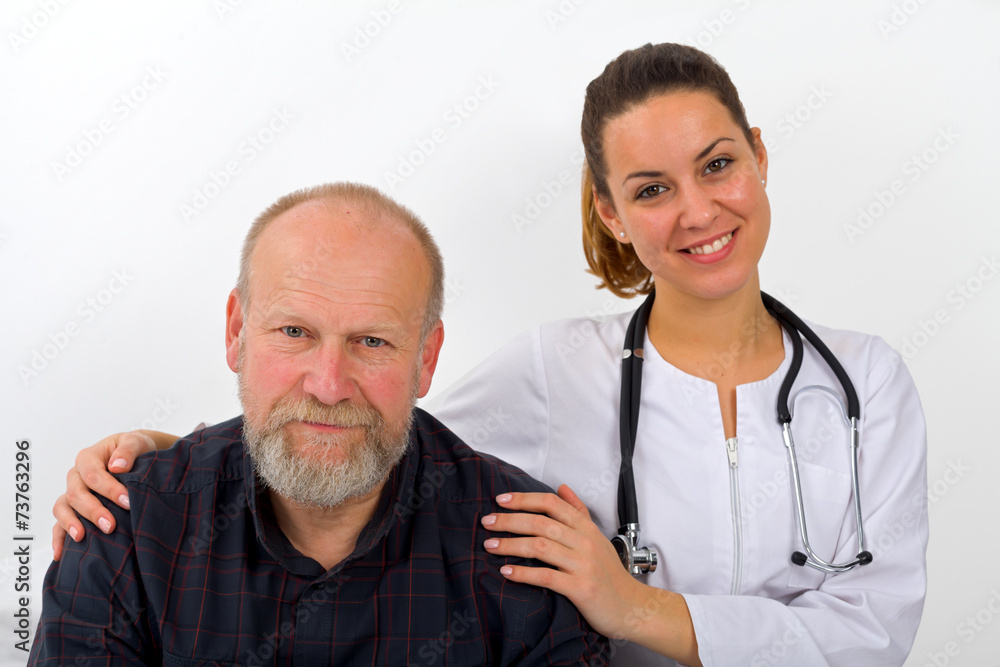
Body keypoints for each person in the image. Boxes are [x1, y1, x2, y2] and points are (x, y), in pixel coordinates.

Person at [52, 44, 927, 666]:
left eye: (718, 164)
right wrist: (164, 459)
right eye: (652, 188)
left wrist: (636, 607)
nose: (698, 211)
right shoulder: (555, 368)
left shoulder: (869, 383)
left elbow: (876, 632)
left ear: (760, 156)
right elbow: (366, 418)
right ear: (613, 213)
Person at [31, 182, 607, 665]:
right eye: (294, 332)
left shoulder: (529, 555)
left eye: (372, 341)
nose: (328, 386)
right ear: (236, 332)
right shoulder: (126, 527)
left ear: (426, 359)